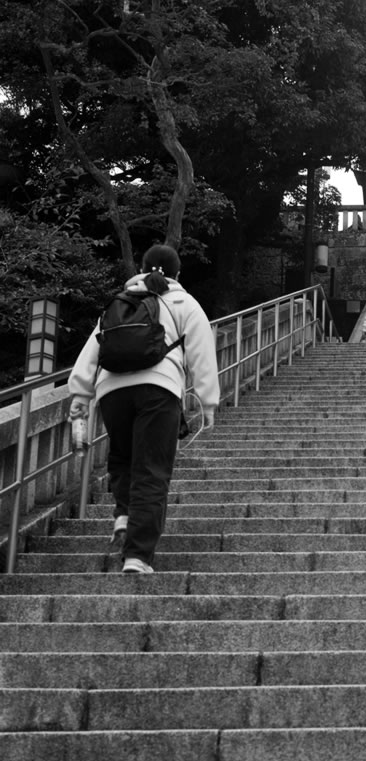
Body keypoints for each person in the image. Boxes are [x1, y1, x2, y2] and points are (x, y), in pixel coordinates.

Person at [67, 245, 220, 574]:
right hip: (157, 389)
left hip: (112, 390)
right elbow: (202, 355)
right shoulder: (183, 302)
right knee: (151, 469)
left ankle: (123, 515)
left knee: (123, 459)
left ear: (143, 267)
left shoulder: (121, 301)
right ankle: (137, 556)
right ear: (178, 274)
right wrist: (208, 402)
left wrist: (80, 397)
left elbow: (93, 348)